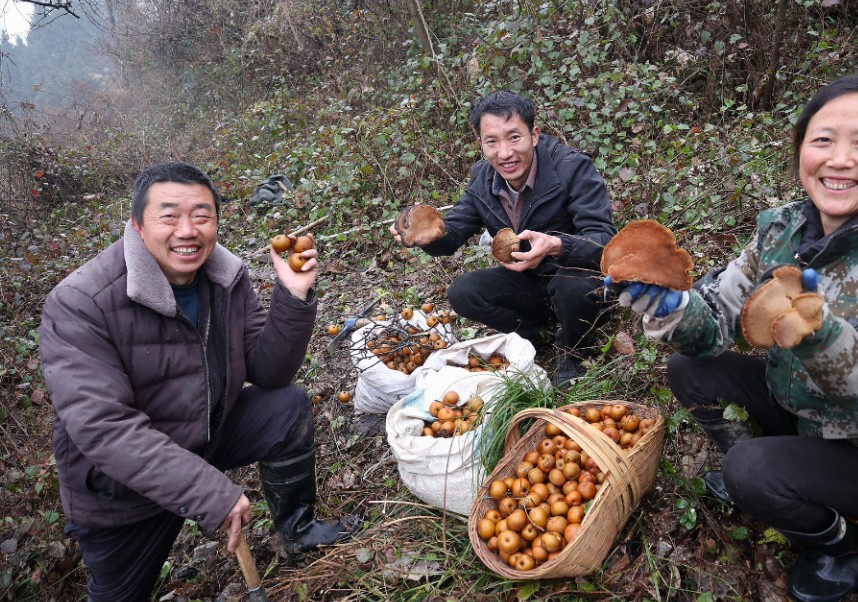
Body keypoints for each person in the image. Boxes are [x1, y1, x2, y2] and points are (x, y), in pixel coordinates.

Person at [609, 75, 858, 602]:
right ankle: (785, 479)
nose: (839, 159)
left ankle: (844, 542)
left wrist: (823, 340)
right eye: (822, 140)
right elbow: (719, 319)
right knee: (691, 370)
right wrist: (676, 310)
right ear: (801, 151)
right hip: (813, 415)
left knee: (749, 469)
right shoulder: (781, 230)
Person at [40, 162, 360, 601]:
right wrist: (209, 492)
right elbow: (103, 428)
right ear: (137, 224)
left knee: (285, 405)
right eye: (169, 216)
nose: (188, 230)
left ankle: (296, 530)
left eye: (202, 216)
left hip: (205, 434)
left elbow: (268, 372)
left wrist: (294, 295)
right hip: (124, 489)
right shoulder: (81, 303)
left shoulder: (224, 278)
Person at [390, 91, 617, 387]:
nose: (505, 153)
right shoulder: (483, 180)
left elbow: (604, 241)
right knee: (464, 292)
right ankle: (537, 336)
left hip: (574, 276)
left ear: (534, 135)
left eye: (514, 137)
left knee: (573, 286)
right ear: (481, 144)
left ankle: (574, 352)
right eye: (492, 141)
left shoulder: (571, 168)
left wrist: (558, 245)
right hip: (532, 283)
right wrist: (426, 237)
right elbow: (453, 233)